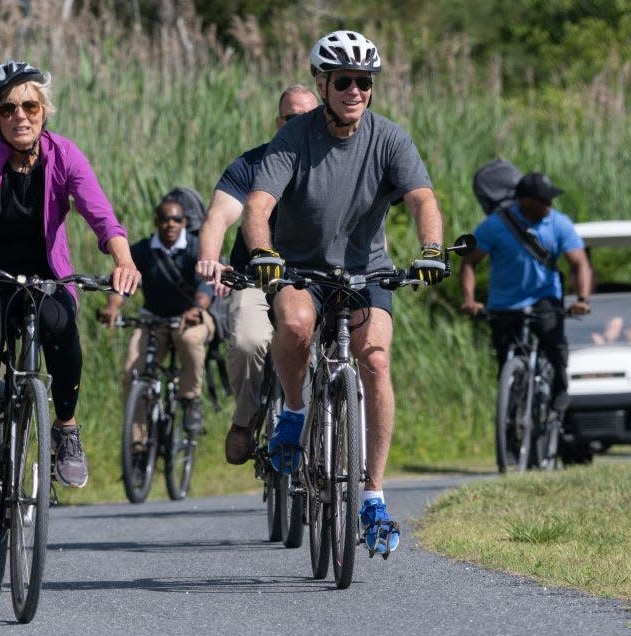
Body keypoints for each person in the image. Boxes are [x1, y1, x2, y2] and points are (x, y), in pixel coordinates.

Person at [0, 60, 140, 574]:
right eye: (8, 108)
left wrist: (123, 259)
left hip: (43, 278)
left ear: (44, 111)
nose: (21, 116)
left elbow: (98, 212)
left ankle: (64, 425)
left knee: (65, 334)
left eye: (30, 106)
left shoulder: (62, 154)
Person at [240, 30, 448, 557]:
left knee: (375, 362)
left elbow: (423, 198)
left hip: (366, 271)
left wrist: (430, 250)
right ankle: (292, 413)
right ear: (322, 84)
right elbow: (259, 204)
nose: (355, 91)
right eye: (344, 82)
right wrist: (264, 253)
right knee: (293, 325)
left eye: (363, 82)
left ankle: (373, 496)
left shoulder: (389, 139)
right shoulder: (294, 138)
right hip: (301, 269)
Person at [196, 84, 319, 464]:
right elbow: (219, 214)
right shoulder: (251, 165)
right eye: (290, 118)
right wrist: (210, 258)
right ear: (278, 122)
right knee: (248, 341)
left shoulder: (330, 164)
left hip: (314, 278)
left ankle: (333, 432)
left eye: (307, 117)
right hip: (256, 278)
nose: (297, 124)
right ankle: (246, 420)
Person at [460, 172, 592, 419]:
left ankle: (560, 388)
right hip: (504, 304)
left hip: (544, 299)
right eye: (544, 200)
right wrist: (469, 300)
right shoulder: (495, 225)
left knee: (553, 344)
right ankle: (511, 423)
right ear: (525, 201)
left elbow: (579, 263)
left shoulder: (559, 223)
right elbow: (469, 263)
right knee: (505, 362)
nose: (549, 205)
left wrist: (582, 299)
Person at [98, 197, 215, 432]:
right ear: (156, 222)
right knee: (133, 373)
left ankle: (190, 400)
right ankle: (138, 449)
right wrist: (113, 306)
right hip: (153, 319)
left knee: (190, 340)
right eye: (165, 219)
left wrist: (197, 308)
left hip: (190, 317)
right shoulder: (142, 250)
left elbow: (206, 285)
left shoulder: (195, 247)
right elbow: (124, 283)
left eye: (176, 219)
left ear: (184, 223)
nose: (170, 224)